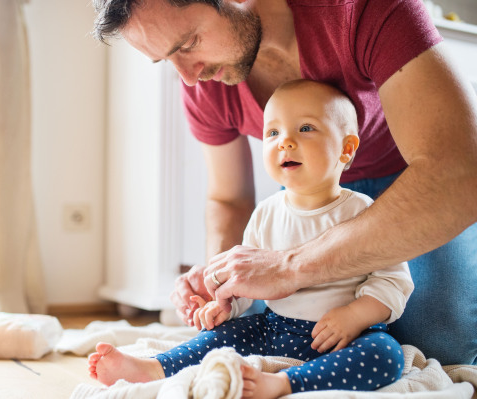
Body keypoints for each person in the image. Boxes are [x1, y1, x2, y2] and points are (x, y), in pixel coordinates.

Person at [91, 0, 477, 365]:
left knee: (440, 342)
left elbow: (459, 174)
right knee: (250, 321)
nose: (189, 77)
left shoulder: (363, 11)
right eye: (167, 60)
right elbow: (229, 199)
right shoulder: (204, 82)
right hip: (308, 194)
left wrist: (290, 267)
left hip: (413, 187)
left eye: (189, 44)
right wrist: (219, 279)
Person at [88, 80, 414, 397]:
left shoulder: (363, 211)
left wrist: (355, 316)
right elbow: (246, 278)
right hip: (275, 328)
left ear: (346, 149)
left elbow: (393, 280)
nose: (284, 141)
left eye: (305, 129)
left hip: (346, 336)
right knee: (221, 335)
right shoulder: (266, 212)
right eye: (273, 132)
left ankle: (285, 384)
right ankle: (154, 369)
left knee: (386, 354)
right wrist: (224, 305)